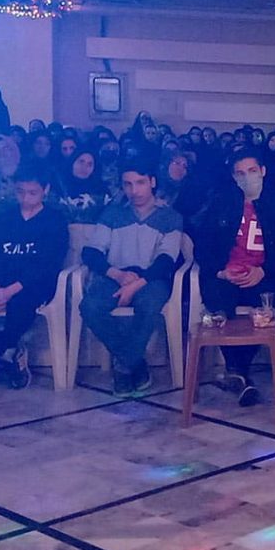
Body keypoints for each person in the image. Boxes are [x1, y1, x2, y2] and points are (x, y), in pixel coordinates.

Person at [189, 150, 275, 404]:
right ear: (233, 177)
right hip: (225, 275)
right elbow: (203, 246)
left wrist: (264, 269)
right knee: (220, 306)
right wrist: (221, 270)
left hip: (264, 275)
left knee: (260, 310)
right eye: (240, 173)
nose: (247, 177)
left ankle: (236, 372)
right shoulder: (221, 202)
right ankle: (240, 372)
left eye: (252, 171)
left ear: (263, 171)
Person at [0, 161, 69, 388]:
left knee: (21, 304)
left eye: (32, 193)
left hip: (34, 284)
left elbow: (47, 264)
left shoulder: (55, 221)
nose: (26, 198)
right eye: (21, 192)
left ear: (45, 190)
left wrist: (10, 291)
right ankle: (1, 351)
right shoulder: (2, 220)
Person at [79, 160, 185, 394]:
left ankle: (124, 366)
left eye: (140, 183)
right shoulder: (113, 214)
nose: (134, 190)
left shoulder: (170, 217)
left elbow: (166, 260)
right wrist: (117, 275)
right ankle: (134, 363)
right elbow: (91, 252)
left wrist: (135, 285)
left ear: (152, 182)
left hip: (151, 279)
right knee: (90, 306)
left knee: (149, 305)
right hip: (115, 275)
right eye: (128, 184)